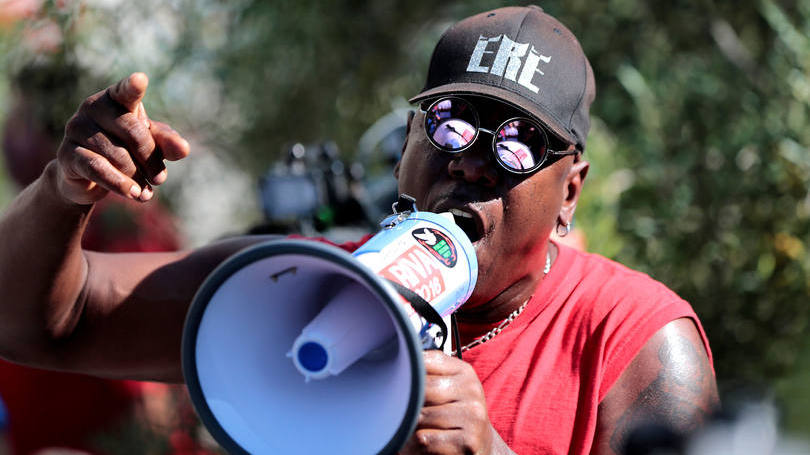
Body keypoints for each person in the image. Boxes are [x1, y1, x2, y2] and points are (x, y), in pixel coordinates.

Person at [0, 5, 718, 454]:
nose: (470, 161)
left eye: (517, 144)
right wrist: (65, 192)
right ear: (406, 145)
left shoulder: (637, 340)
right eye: (451, 122)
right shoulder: (295, 281)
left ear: (569, 196)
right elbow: (43, 324)